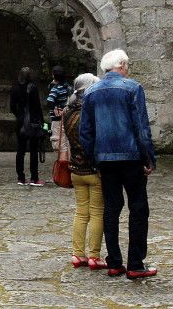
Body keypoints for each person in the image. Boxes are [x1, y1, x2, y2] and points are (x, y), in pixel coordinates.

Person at [79, 49, 158, 280]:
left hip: (105, 160)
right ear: (122, 65)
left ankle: (114, 262)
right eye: (127, 64)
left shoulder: (91, 92)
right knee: (138, 208)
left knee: (111, 209)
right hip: (131, 157)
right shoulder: (132, 88)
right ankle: (135, 263)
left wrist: (95, 159)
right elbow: (141, 128)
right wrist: (148, 158)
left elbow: (86, 132)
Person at [64, 73, 106, 270]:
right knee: (97, 213)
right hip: (92, 169)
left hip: (75, 168)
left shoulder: (67, 110)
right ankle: (94, 256)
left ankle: (77, 254)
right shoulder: (92, 111)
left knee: (81, 213)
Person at [11, 66, 45, 186]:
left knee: (20, 150)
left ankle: (20, 177)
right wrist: (42, 122)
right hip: (33, 122)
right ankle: (34, 178)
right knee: (34, 150)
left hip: (20, 122)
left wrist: (20, 116)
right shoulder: (33, 88)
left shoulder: (15, 88)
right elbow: (37, 107)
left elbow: (12, 107)